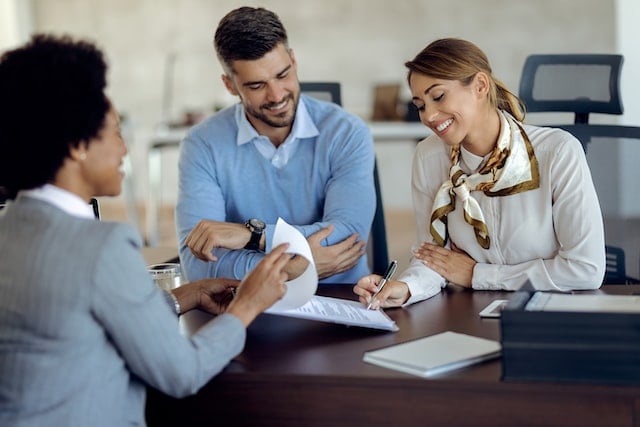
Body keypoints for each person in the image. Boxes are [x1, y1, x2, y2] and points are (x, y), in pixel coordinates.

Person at [0, 34, 293, 426]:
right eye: (113, 131)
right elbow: (181, 372)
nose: (123, 149)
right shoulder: (99, 246)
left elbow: (77, 322)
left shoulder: (12, 227)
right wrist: (247, 306)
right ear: (77, 146)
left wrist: (181, 297)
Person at [354, 38, 605, 309]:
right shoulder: (429, 157)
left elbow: (585, 269)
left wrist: (477, 275)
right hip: (468, 313)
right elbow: (435, 259)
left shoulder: (557, 152)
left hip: (547, 314)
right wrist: (405, 288)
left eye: (438, 97)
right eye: (420, 105)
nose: (428, 116)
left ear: (481, 86)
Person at [176, 6, 376, 285]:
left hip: (343, 299)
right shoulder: (202, 145)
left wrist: (252, 235)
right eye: (257, 86)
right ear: (230, 85)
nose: (277, 95)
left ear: (293, 60)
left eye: (283, 75)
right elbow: (200, 267)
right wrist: (295, 269)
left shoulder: (347, 132)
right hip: (250, 311)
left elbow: (348, 237)